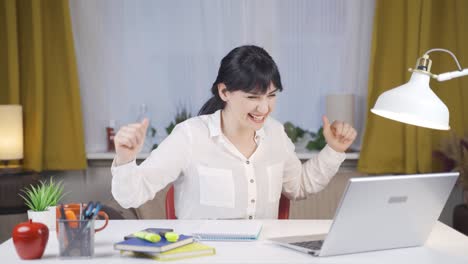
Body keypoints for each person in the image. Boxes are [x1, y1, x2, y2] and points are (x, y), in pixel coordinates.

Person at [111, 45, 357, 219]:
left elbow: (299, 187)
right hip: (204, 256)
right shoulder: (189, 136)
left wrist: (334, 149)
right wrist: (125, 158)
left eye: (271, 96)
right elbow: (131, 196)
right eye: (252, 97)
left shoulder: (275, 134)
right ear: (224, 92)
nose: (264, 108)